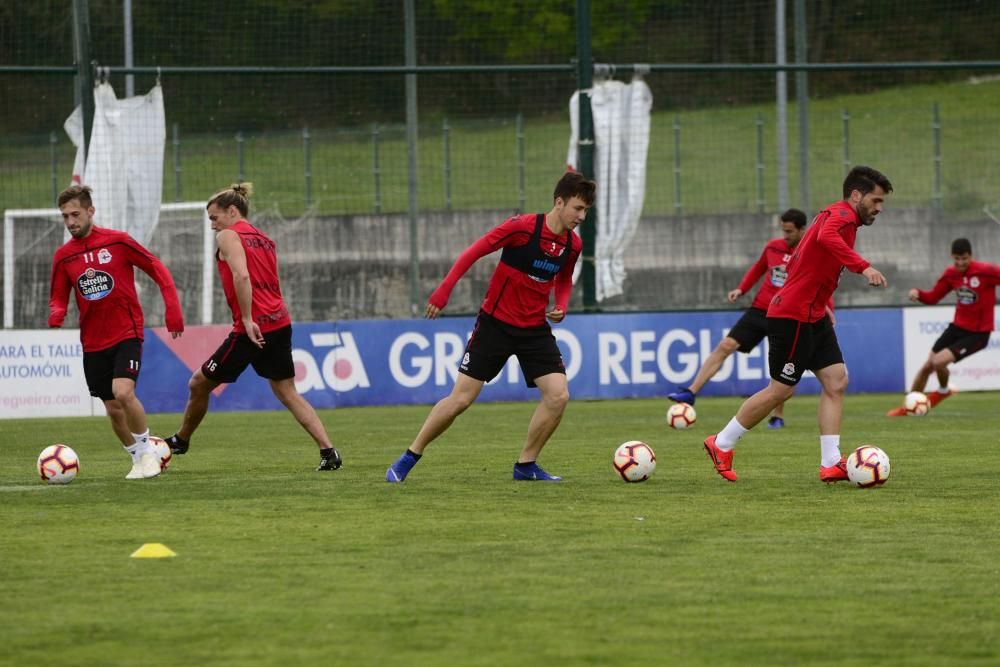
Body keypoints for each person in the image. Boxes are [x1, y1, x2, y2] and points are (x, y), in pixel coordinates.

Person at [385, 171, 596, 483]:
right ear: (559, 202)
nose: (581, 216)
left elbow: (564, 278)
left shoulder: (572, 245)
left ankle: (526, 465)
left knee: (558, 395)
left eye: (586, 211)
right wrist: (443, 292)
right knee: (460, 400)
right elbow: (474, 252)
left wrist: (561, 304)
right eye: (577, 208)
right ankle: (409, 456)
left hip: (534, 330)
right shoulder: (521, 228)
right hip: (495, 325)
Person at [702, 166, 893, 483]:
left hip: (813, 314)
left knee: (836, 381)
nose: (879, 208)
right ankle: (721, 443)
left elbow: (817, 263)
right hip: (792, 315)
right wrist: (863, 266)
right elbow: (825, 236)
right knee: (781, 389)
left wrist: (824, 304)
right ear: (856, 195)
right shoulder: (841, 216)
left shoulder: (840, 215)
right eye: (875, 200)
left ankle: (831, 462)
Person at [164, 183, 342, 472]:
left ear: (232, 211)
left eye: (214, 217)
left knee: (198, 383)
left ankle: (182, 440)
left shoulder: (228, 235)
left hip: (252, 329)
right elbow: (273, 283)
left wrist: (247, 320)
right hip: (279, 323)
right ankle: (329, 451)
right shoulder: (265, 240)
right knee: (287, 391)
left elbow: (242, 276)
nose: (212, 225)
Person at [49, 185, 185, 479]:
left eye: (75, 214)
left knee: (123, 392)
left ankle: (148, 450)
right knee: (112, 408)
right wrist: (57, 311)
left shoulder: (118, 242)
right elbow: (58, 295)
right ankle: (138, 457)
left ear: (90, 211)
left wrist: (172, 308)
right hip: (92, 341)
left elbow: (156, 268)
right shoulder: (63, 257)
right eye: (65, 217)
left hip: (127, 331)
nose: (71, 222)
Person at [667, 208, 830, 429]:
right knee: (726, 345)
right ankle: (691, 392)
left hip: (790, 314)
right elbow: (758, 269)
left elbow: (822, 282)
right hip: (761, 309)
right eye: (783, 230)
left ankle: (777, 416)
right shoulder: (773, 247)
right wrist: (741, 289)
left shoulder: (811, 251)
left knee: (782, 370)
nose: (785, 236)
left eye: (790, 231)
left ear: (802, 230)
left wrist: (828, 308)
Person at [887, 238, 1000, 416]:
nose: (961, 263)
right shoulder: (950, 274)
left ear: (971, 256)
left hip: (978, 333)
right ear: (952, 257)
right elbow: (933, 297)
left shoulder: (987, 271)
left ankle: (941, 391)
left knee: (937, 361)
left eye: (964, 259)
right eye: (957, 259)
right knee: (927, 366)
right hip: (957, 327)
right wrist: (919, 294)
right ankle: (911, 405)